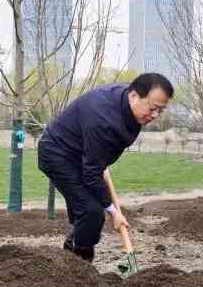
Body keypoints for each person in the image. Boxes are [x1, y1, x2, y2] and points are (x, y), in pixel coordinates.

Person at [37, 73, 174, 261]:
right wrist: (113, 211)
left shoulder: (127, 103)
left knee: (85, 211)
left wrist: (99, 160)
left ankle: (71, 254)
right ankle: (80, 264)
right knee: (91, 211)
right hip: (57, 153)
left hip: (83, 153)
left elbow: (96, 163)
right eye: (152, 108)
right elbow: (92, 174)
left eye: (160, 110)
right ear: (134, 95)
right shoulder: (104, 119)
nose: (155, 115)